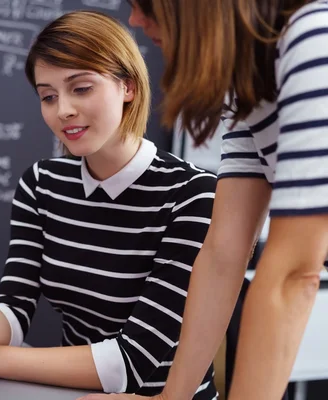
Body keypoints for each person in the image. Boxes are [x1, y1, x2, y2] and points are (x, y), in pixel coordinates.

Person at [0, 10, 217, 398]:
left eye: (81, 88)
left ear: (127, 87)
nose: (63, 110)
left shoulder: (193, 194)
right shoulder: (43, 184)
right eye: (48, 96)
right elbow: (11, 323)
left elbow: (133, 362)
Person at [78, 1, 328, 399]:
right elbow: (222, 255)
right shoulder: (250, 84)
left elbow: (294, 275)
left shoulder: (313, 39)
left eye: (146, 5)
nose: (135, 20)